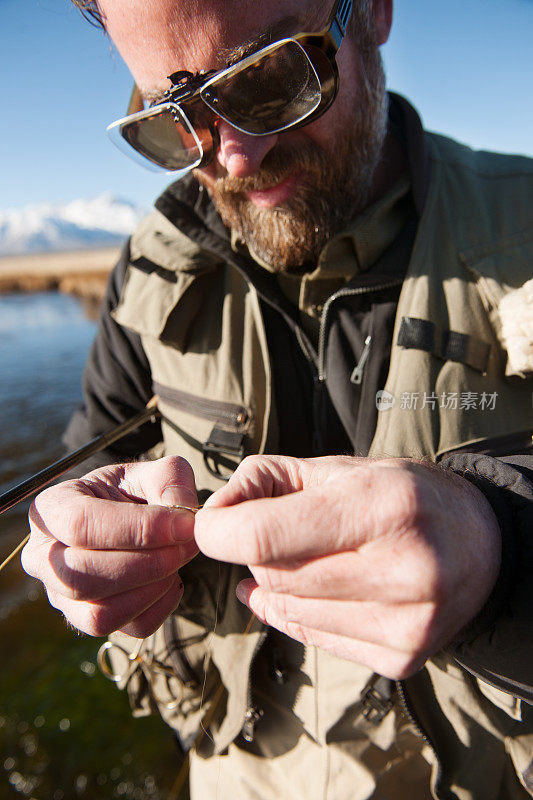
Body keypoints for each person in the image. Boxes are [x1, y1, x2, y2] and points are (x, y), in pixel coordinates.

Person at [21, 0, 533, 797]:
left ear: (373, 13)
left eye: (268, 78)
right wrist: (76, 546)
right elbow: (97, 453)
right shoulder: (150, 268)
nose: (232, 156)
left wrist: (500, 547)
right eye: (175, 116)